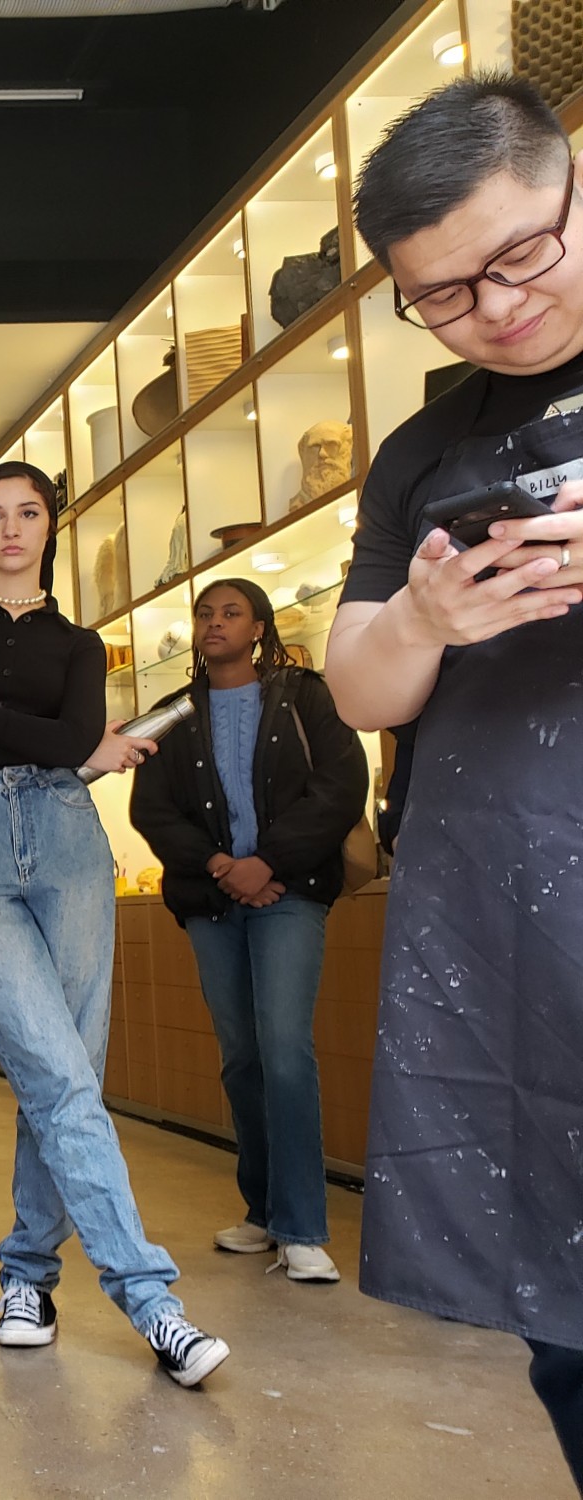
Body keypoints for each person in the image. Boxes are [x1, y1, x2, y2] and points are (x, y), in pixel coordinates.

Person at [328, 75, 583, 1488]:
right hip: (507, 915)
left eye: (518, 257)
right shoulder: (425, 450)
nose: (494, 307)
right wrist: (425, 620)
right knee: (557, 1303)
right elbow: (361, 681)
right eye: (441, 294)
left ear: (570, 188)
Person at [0, 460, 230, 1390]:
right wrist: (36, 735)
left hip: (66, 840)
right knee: (56, 1072)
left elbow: (68, 740)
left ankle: (26, 1277)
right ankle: (152, 1301)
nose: (11, 529)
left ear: (51, 526)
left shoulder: (82, 642)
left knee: (67, 1077)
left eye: (28, 514)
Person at [129, 578, 367, 1283]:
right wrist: (220, 865)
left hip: (291, 892)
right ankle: (263, 1212)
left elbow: (339, 786)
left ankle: (301, 1229)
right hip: (212, 898)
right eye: (204, 613)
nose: (213, 623)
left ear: (259, 627)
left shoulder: (306, 696)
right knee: (242, 1057)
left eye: (230, 612)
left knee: (286, 1050)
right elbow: (153, 808)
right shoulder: (172, 715)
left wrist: (267, 863)